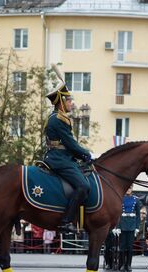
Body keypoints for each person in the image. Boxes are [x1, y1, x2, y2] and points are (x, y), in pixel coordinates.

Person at [44, 83, 92, 233]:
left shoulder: (56, 117)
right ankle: (66, 221)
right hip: (59, 159)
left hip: (60, 156)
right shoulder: (59, 119)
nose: (72, 103)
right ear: (61, 103)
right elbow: (70, 143)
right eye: (69, 101)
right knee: (83, 186)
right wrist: (86, 153)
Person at [119, 185, 141, 272]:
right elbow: (118, 213)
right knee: (122, 246)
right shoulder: (121, 198)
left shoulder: (136, 199)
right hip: (123, 223)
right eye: (127, 188)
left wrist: (137, 227)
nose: (128, 189)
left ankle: (128, 265)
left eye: (130, 188)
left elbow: (138, 214)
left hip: (131, 224)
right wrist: (117, 226)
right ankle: (122, 264)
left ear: (132, 189)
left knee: (129, 247)